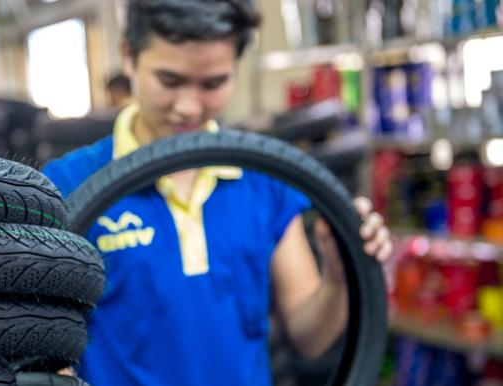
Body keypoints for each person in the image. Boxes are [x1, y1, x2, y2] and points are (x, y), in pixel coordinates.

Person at [42, 1, 392, 385]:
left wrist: (339, 275)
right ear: (129, 57)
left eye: (213, 83)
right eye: (170, 81)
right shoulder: (68, 185)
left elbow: (310, 337)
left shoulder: (263, 178)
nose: (189, 107)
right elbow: (44, 341)